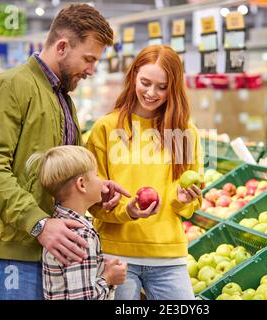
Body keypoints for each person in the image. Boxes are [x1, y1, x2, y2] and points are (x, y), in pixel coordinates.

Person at [0, 4, 130, 300]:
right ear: (62, 46)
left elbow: (65, 173)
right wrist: (38, 223)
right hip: (17, 252)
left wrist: (94, 190)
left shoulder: (62, 99)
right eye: (88, 59)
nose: (92, 70)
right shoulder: (10, 87)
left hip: (54, 251)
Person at [87, 45, 203, 300]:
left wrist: (182, 200)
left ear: (174, 88)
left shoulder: (185, 133)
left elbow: (189, 204)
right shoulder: (106, 129)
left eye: (162, 87)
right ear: (133, 77)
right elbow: (93, 201)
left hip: (168, 255)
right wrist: (126, 211)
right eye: (145, 82)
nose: (151, 93)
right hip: (116, 255)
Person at [28, 145, 127, 300]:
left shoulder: (60, 224)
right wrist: (108, 278)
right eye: (97, 175)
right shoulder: (80, 234)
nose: (102, 183)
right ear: (81, 184)